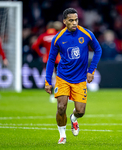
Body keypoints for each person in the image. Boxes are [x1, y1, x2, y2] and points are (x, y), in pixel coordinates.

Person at [44, 8, 102, 144]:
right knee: (61, 107)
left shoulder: (86, 34)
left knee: (81, 111)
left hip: (80, 78)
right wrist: (48, 81)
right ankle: (62, 135)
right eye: (71, 20)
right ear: (64, 21)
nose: (74, 23)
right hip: (63, 77)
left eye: (76, 20)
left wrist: (91, 70)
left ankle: (74, 119)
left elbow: (98, 50)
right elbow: (51, 59)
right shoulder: (58, 38)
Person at [32, 21, 63, 103]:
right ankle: (61, 95)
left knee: (51, 77)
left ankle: (52, 96)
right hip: (57, 59)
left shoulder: (43, 36)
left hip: (47, 59)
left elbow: (34, 45)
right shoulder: (58, 35)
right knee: (60, 77)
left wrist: (41, 54)